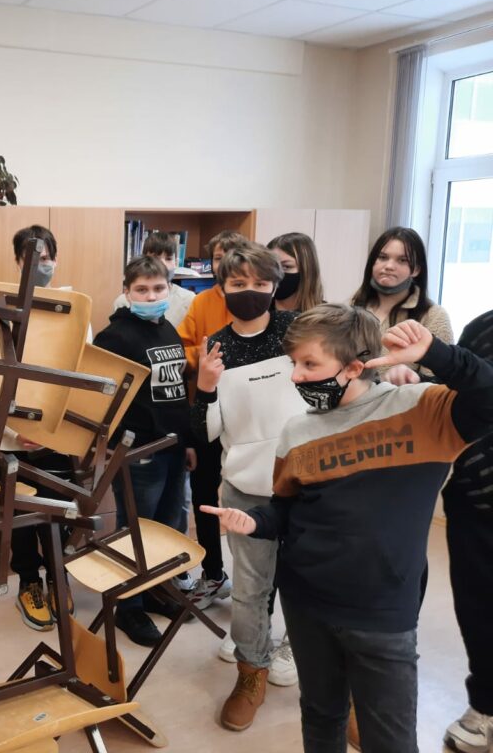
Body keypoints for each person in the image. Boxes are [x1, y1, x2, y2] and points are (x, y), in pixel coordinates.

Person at [204, 305, 493, 753]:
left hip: (382, 613)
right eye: (294, 363)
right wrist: (256, 521)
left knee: (390, 739)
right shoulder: (297, 432)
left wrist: (436, 353)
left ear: (355, 367)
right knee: (321, 717)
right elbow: (286, 511)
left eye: (309, 364)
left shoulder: (423, 409)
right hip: (307, 604)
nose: (296, 377)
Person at [191, 244, 305, 731]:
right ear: (222, 288)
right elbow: (203, 433)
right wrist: (204, 385)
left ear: (276, 286)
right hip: (247, 489)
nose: (250, 292)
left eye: (260, 283)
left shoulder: (298, 333)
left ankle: (302, 655)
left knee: (306, 582)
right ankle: (250, 672)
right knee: (251, 589)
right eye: (238, 284)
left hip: (306, 484)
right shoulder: (215, 347)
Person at [94, 256, 195, 646]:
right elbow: (104, 399)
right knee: (134, 530)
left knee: (166, 527)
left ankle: (154, 591)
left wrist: (187, 442)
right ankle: (128, 607)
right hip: (140, 451)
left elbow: (176, 393)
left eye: (158, 288)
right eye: (141, 289)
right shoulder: (114, 337)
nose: (151, 296)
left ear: (169, 289)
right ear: (126, 291)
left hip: (173, 446)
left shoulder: (167, 328)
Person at [176, 230, 253, 611]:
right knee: (204, 495)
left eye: (234, 254)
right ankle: (213, 574)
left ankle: (253, 584)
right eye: (220, 256)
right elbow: (181, 349)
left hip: (247, 413)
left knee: (250, 497)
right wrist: (208, 355)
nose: (227, 262)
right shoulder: (202, 300)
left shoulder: (256, 299)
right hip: (207, 406)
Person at [7, 225, 76, 631]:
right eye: (31, 258)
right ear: (18, 263)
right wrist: (14, 433)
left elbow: (78, 380)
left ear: (56, 260)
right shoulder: (1, 309)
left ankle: (58, 576)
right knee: (20, 518)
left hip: (57, 435)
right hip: (12, 438)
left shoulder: (74, 310)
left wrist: (53, 430)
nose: (40, 265)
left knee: (58, 513)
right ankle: (29, 583)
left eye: (46, 258)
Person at [441, 307, 493, 753]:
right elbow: (452, 401)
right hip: (474, 499)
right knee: (478, 609)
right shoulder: (483, 327)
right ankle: (485, 707)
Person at [351, 227, 453, 383]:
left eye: (402, 260)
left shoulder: (434, 316)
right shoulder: (353, 306)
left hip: (403, 398)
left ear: (416, 269)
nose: (389, 266)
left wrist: (413, 378)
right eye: (382, 257)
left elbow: (440, 384)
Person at [111, 231, 195, 326]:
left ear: (176, 262)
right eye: (155, 258)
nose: (163, 264)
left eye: (168, 258)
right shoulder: (123, 302)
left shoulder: (189, 299)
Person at [267, 232, 325, 313]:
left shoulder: (327, 316)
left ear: (307, 270)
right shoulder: (257, 312)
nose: (276, 272)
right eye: (271, 266)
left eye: (286, 266)